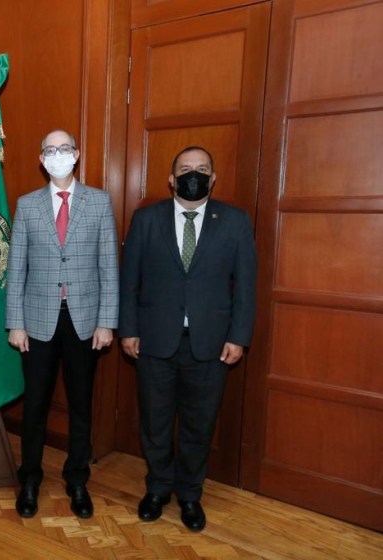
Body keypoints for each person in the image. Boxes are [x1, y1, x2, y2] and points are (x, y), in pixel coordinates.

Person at [119, 146, 256, 532]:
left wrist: (239, 336)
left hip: (210, 344)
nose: (192, 175)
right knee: (155, 421)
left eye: (201, 169)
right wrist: (128, 329)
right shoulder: (146, 219)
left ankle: (190, 495)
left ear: (212, 178)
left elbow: (246, 286)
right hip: (154, 340)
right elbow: (129, 281)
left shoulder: (235, 221)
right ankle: (158, 488)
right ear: (171, 178)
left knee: (199, 424)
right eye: (185, 169)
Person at [6, 129, 119, 519]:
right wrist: (15, 323)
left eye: (65, 148)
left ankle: (77, 480)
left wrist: (107, 322)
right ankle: (30, 479)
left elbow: (109, 266)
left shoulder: (99, 202)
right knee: (35, 405)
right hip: (36, 321)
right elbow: (16, 268)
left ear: (77, 154)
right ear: (41, 159)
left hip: (85, 322)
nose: (58, 155)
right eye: (50, 150)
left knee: (80, 405)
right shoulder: (27, 205)